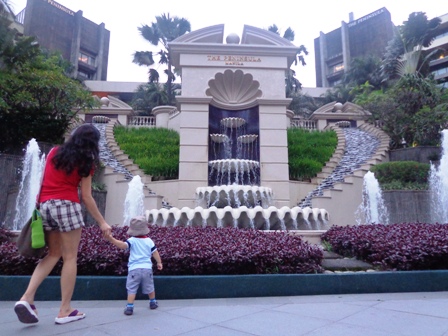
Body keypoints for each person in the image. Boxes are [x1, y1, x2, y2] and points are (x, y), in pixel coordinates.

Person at [14, 123, 112, 325]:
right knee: (70, 258)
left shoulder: (54, 152)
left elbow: (41, 182)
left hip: (45, 206)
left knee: (53, 254)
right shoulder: (87, 161)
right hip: (67, 205)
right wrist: (102, 222)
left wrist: (40, 208)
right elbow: (86, 196)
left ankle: (26, 298)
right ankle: (65, 310)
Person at [105, 215, 163, 315]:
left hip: (134, 269)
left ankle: (130, 307)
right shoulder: (149, 241)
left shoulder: (132, 241)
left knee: (132, 288)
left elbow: (123, 246)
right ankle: (153, 302)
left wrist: (112, 239)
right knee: (150, 286)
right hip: (147, 269)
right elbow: (155, 252)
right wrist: (159, 262)